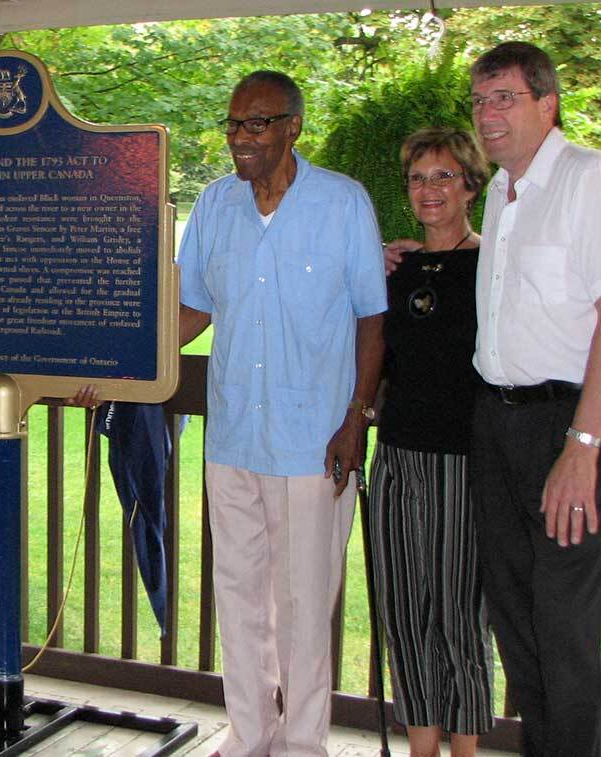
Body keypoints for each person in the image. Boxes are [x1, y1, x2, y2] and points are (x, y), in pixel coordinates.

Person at [180, 70, 386, 757]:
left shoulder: (343, 204)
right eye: (233, 125)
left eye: (256, 124)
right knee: (237, 597)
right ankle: (248, 734)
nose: (241, 139)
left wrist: (357, 415)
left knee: (303, 605)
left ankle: (301, 744)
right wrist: (117, 361)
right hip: (233, 434)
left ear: (293, 126)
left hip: (314, 441)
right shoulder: (212, 206)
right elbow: (190, 310)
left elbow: (371, 320)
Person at [467, 42, 601, 756]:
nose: (488, 114)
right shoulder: (501, 192)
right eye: (479, 100)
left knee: (564, 627)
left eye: (504, 97)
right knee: (518, 621)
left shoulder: (587, 177)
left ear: (548, 103)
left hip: (570, 428)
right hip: (500, 423)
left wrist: (583, 445)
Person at [368, 127, 495, 757]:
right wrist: (378, 258)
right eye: (418, 178)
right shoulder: (397, 267)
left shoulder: (494, 264)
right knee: (405, 613)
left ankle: (465, 749)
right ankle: (421, 746)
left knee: (458, 615)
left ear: (471, 185)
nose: (430, 189)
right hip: (396, 456)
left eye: (444, 176)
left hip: (464, 463)